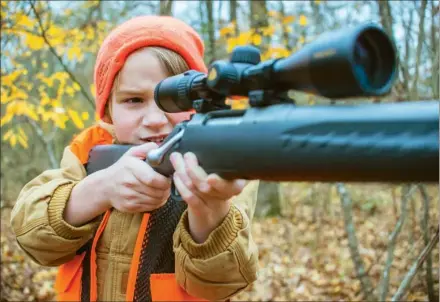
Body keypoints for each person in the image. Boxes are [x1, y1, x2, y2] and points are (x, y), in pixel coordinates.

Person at [11, 15, 259, 301]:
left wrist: (210, 209)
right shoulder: (88, 152)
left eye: (174, 100)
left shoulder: (223, 161)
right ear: (108, 112)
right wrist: (100, 190)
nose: (154, 119)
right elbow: (31, 236)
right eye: (134, 100)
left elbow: (221, 283)